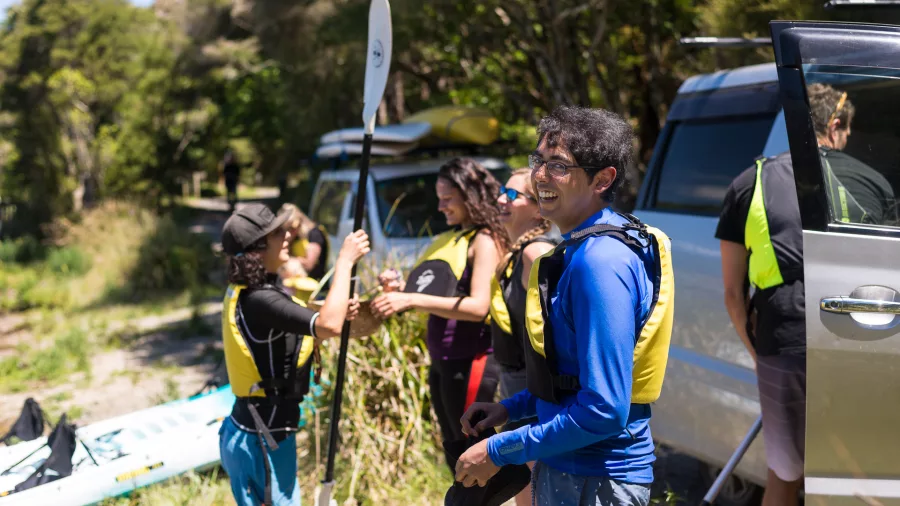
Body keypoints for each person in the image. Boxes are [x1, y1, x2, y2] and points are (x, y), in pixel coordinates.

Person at [455, 106, 674, 506]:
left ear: (603, 179)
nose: (540, 175)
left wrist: (498, 450)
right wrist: (508, 409)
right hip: (576, 473)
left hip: (595, 482)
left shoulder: (600, 261)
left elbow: (605, 409)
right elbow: (572, 380)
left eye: (558, 165)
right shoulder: (587, 246)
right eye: (538, 160)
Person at [716, 83, 887, 506]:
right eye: (845, 132)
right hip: (861, 340)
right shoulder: (874, 181)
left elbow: (733, 294)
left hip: (782, 338)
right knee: (854, 474)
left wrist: (760, 355)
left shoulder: (748, 182)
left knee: (785, 473)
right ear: (834, 126)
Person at [218, 202, 370, 506]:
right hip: (261, 438)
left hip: (254, 431)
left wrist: (337, 310)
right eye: (277, 233)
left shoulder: (254, 291)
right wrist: (344, 261)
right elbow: (326, 325)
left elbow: (311, 323)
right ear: (257, 249)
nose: (287, 235)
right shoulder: (259, 299)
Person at [370, 157, 507, 473]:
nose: (441, 206)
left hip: (472, 360)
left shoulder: (484, 240)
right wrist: (397, 288)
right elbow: (433, 291)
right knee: (454, 450)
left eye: (448, 199)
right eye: (439, 198)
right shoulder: (451, 238)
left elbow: (478, 307)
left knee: (474, 452)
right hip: (443, 361)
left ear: (469, 196)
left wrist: (411, 298)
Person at [489, 168, 558, 506]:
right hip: (516, 389)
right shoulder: (517, 251)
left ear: (537, 208)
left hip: (534, 391)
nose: (502, 198)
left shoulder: (535, 254)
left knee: (531, 496)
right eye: (503, 191)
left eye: (513, 195)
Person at [807, 83, 896, 225]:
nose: (849, 133)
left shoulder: (777, 172)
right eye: (847, 128)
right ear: (834, 126)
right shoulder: (873, 180)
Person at [280, 203, 330, 281]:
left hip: (314, 283)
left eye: (291, 228)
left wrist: (291, 259)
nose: (290, 232)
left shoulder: (315, 234)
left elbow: (309, 264)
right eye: (287, 228)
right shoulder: (295, 237)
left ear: (299, 223)